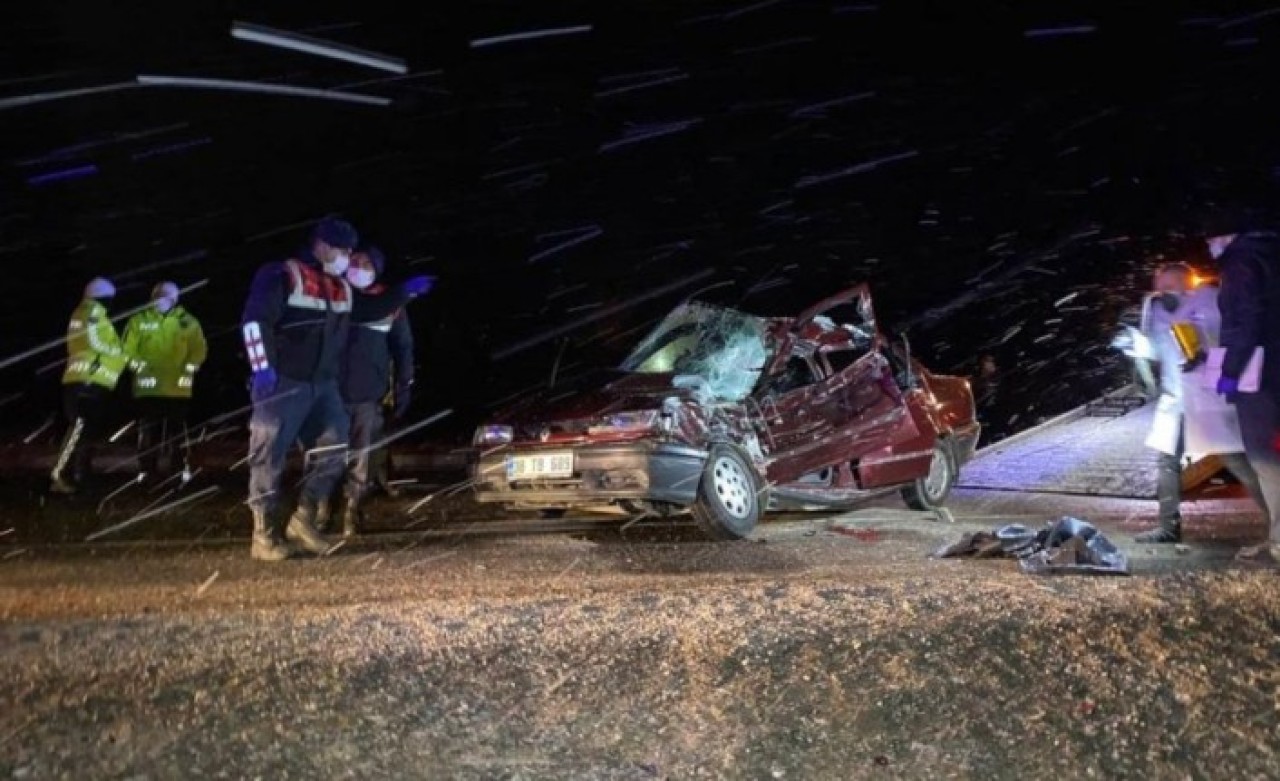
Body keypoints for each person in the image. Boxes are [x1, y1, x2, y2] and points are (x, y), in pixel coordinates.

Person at [241, 216, 433, 561]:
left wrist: (406, 291)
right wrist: (262, 369)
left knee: (335, 451)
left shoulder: (340, 287)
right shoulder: (283, 275)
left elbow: (370, 308)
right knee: (269, 456)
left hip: (324, 386)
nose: (347, 257)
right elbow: (255, 321)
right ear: (323, 245)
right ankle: (264, 535)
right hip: (284, 383)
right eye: (343, 250)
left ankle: (303, 519)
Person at [1128, 262, 1269, 543]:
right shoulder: (1156, 312)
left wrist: (1206, 357)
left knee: (1235, 460)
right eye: (1160, 285)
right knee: (1167, 461)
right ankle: (1168, 527)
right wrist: (1137, 345)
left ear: (1185, 282)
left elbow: (1231, 342)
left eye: (1168, 284)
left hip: (1208, 398)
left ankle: (1276, 522)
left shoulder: (1211, 304)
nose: (1161, 290)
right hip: (1175, 402)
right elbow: (1156, 352)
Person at [319, 246, 417, 537]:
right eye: (355, 262)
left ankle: (352, 509)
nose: (358, 267)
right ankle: (322, 508)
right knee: (326, 453)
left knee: (363, 455)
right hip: (331, 393)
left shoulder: (391, 303)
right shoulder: (335, 295)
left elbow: (403, 347)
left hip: (368, 393)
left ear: (376, 270)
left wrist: (404, 384)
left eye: (366, 264)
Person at [1208, 204, 1280, 563]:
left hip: (1262, 378)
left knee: (1265, 457)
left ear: (1225, 237)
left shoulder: (1241, 264)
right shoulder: (1271, 256)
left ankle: (1278, 542)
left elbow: (1244, 321)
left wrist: (1230, 371)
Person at [50, 277, 138, 494]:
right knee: (79, 429)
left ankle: (79, 476)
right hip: (85, 381)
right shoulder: (91, 312)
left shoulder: (95, 315)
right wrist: (119, 352)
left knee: (86, 432)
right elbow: (95, 341)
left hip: (94, 382)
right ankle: (61, 476)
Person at [121, 282, 207, 477]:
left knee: (177, 432)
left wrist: (190, 367)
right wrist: (138, 366)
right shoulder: (138, 320)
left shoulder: (188, 322)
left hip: (177, 388)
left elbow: (199, 349)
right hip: (148, 387)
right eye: (159, 295)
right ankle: (146, 470)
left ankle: (179, 468)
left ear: (175, 299)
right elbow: (127, 350)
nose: (162, 299)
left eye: (167, 296)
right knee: (148, 430)